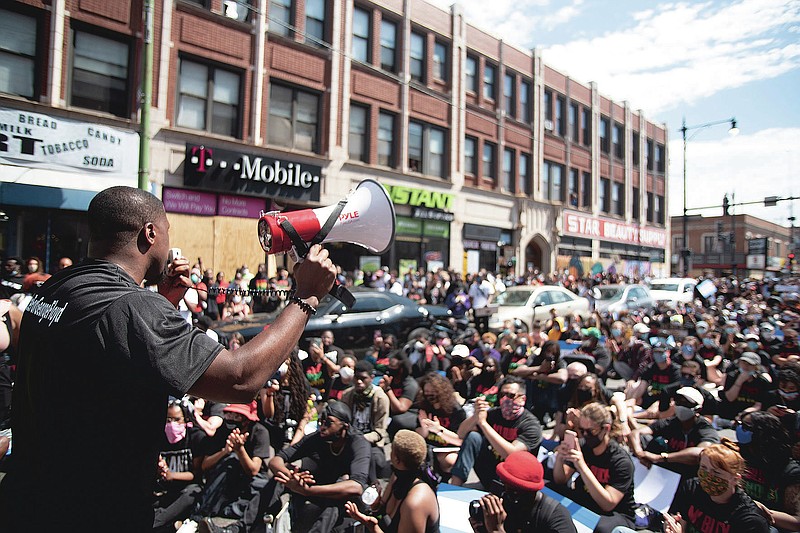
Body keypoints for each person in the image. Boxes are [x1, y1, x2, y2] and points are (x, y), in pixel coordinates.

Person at [0, 186, 336, 532]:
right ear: (150, 234)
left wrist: (164, 303)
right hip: (91, 513)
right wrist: (306, 296)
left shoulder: (55, 288)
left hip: (26, 502)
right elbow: (240, 378)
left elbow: (105, 353)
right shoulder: (134, 308)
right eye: (167, 232)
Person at [256, 401, 371, 532]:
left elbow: (356, 487)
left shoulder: (358, 444)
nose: (322, 426)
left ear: (344, 426)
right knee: (279, 480)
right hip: (314, 487)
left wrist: (309, 490)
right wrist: (292, 479)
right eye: (321, 421)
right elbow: (276, 460)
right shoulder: (317, 438)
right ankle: (244, 525)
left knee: (336, 501)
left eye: (328, 422)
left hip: (338, 495)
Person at [553, 402, 636, 533]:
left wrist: (581, 466)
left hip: (616, 513)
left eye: (591, 431)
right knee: (548, 490)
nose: (585, 435)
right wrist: (560, 458)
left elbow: (608, 504)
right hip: (586, 500)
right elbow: (560, 480)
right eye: (582, 430)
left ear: (606, 429)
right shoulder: (583, 446)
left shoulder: (621, 461)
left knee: (602, 529)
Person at [451, 376, 542, 493]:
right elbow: (461, 433)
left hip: (514, 481)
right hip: (491, 471)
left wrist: (483, 424)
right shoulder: (494, 414)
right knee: (473, 437)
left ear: (522, 399)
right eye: (502, 395)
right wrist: (476, 416)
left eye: (511, 395)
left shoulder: (531, 425)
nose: (505, 399)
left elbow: (511, 455)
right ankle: (454, 488)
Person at [344, 429, 441, 533]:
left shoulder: (415, 502)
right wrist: (376, 507)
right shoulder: (396, 477)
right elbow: (383, 514)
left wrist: (372, 527)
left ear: (396, 459)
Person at [663, 441, 770, 533]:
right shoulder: (691, 488)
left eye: (716, 472)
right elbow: (678, 518)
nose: (708, 476)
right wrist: (671, 526)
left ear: (735, 478)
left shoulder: (749, 520)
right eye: (703, 468)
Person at [469, 451, 577, 533]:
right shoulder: (502, 508)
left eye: (512, 491)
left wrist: (497, 530)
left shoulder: (556, 518)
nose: (504, 494)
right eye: (502, 484)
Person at [628, 387, 719, 481]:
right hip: (668, 472)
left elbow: (701, 452)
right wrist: (640, 454)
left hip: (690, 476)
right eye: (678, 401)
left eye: (686, 403)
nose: (681, 406)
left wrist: (660, 458)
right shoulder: (672, 422)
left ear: (698, 409)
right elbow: (636, 433)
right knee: (646, 439)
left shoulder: (704, 428)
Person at [153, 399, 205, 532]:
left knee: (192, 492)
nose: (172, 424)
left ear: (186, 419)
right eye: (168, 420)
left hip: (186, 488)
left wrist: (173, 475)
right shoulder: (159, 437)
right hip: (163, 489)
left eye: (177, 419)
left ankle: (155, 523)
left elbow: (196, 473)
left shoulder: (196, 437)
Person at [341, 360, 391, 482]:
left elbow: (379, 432)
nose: (359, 382)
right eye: (356, 378)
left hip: (370, 441)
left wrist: (360, 439)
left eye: (363, 378)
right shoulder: (347, 395)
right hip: (349, 438)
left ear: (371, 378)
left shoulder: (380, 398)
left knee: (375, 462)